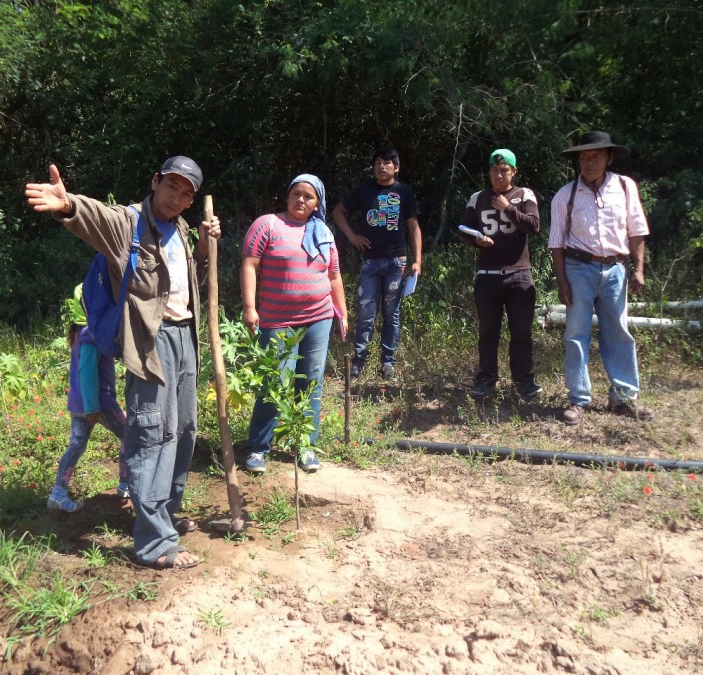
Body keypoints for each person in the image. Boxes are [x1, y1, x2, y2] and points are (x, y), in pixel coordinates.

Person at [25, 156, 221, 570]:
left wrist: (204, 248)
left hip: (185, 338)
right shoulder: (129, 223)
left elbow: (192, 285)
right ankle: (154, 544)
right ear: (155, 181)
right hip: (151, 342)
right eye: (171, 186)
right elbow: (97, 217)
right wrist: (68, 205)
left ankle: (164, 515)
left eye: (186, 192)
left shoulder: (182, 230)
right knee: (154, 433)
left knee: (184, 431)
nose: (177, 197)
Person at [241, 174, 348, 474]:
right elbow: (250, 264)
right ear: (287, 196)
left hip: (319, 318)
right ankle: (258, 447)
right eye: (296, 194)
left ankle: (305, 445)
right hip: (277, 320)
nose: (301, 200)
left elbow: (334, 276)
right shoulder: (267, 225)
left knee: (310, 383)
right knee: (275, 383)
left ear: (317, 203)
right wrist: (250, 308)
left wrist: (343, 312)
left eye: (308, 196)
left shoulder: (324, 232)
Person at [548, 131, 652, 425]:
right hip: (578, 269)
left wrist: (639, 269)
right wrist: (562, 283)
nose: (590, 161)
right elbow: (556, 243)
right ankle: (578, 399)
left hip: (616, 269)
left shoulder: (625, 187)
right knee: (576, 335)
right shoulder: (565, 195)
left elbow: (636, 230)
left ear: (609, 158)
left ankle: (623, 398)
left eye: (596, 156)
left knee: (618, 332)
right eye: (584, 156)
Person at [332, 147, 422, 380]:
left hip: (396, 262)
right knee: (366, 313)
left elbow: (414, 227)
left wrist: (417, 261)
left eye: (387, 163)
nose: (382, 166)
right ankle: (359, 362)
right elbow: (338, 211)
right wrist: (352, 237)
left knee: (392, 313)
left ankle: (388, 363)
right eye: (378, 163)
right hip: (370, 262)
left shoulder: (404, 191)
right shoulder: (364, 190)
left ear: (396, 168)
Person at [461, 149, 542, 399]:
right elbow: (464, 230)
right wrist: (476, 241)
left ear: (514, 172)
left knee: (521, 331)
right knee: (488, 331)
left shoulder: (524, 195)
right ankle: (486, 379)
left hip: (519, 274)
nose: (499, 175)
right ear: (488, 172)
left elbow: (534, 226)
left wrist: (508, 209)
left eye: (504, 170)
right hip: (488, 274)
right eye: (494, 170)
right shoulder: (477, 198)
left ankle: (524, 380)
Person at [48, 284, 129, 513]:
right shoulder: (92, 335)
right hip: (98, 402)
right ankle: (126, 483)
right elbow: (87, 371)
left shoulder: (79, 332)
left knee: (76, 446)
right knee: (131, 435)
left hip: (78, 401)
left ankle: (58, 493)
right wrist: (93, 407)